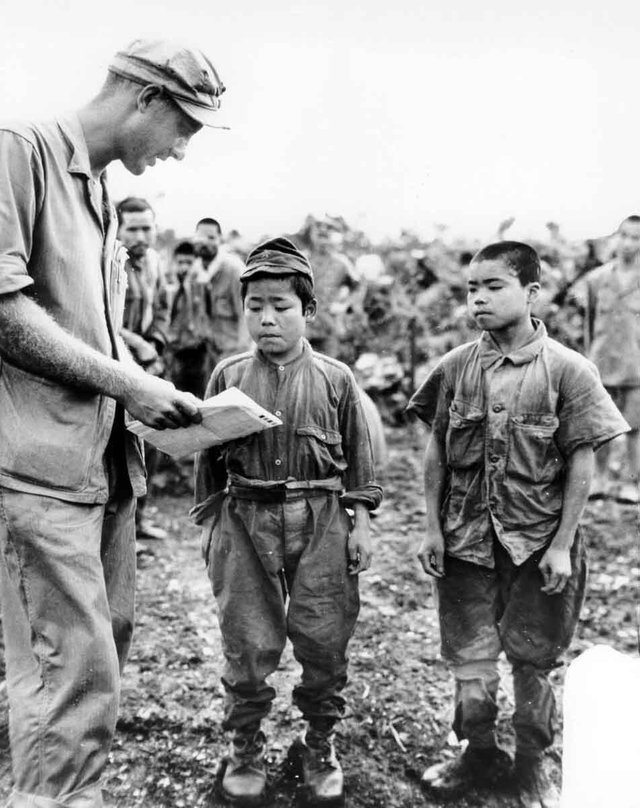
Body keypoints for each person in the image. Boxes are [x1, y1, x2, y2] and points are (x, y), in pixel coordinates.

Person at [0, 38, 225, 808]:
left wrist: (128, 357)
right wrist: (128, 381)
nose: (183, 150)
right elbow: (5, 311)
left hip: (103, 468)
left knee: (100, 657)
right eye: (185, 127)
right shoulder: (17, 153)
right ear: (145, 100)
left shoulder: (96, 191)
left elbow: (69, 322)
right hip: (39, 469)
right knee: (69, 674)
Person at [406, 241, 628, 808]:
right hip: (466, 543)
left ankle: (531, 763)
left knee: (534, 657)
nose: (478, 298)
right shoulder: (456, 367)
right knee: (470, 656)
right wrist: (433, 529)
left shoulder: (569, 370)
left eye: (493, 286)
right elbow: (435, 450)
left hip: (538, 545)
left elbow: (583, 459)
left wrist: (561, 546)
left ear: (531, 293)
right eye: (471, 289)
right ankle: (477, 752)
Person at [192, 237, 382, 805]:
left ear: (309, 313)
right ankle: (244, 746)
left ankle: (319, 742)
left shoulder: (336, 378)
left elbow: (362, 462)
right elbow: (206, 457)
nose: (267, 318)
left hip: (321, 518)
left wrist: (362, 524)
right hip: (245, 518)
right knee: (247, 642)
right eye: (255, 306)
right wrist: (210, 526)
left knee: (325, 637)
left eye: (282, 305)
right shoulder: (227, 374)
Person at [117, 195, 171, 544]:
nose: (140, 236)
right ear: (119, 229)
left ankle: (140, 519)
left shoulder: (154, 261)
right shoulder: (109, 261)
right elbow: (104, 316)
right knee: (119, 446)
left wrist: (156, 345)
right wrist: (138, 344)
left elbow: (164, 306)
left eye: (146, 228)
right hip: (116, 362)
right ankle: (121, 532)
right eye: (132, 228)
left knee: (151, 440)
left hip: (148, 364)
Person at [575, 215, 640, 503]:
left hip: (635, 367)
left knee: (635, 428)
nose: (628, 243)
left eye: (635, 238)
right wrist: (590, 361)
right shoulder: (596, 279)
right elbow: (589, 324)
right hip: (601, 363)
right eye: (624, 235)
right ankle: (599, 480)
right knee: (600, 426)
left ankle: (631, 483)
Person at [192, 216, 250, 387]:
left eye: (211, 238)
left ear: (220, 240)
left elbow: (246, 314)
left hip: (234, 350)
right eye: (201, 237)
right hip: (211, 349)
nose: (205, 242)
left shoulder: (234, 269)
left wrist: (242, 354)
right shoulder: (197, 271)